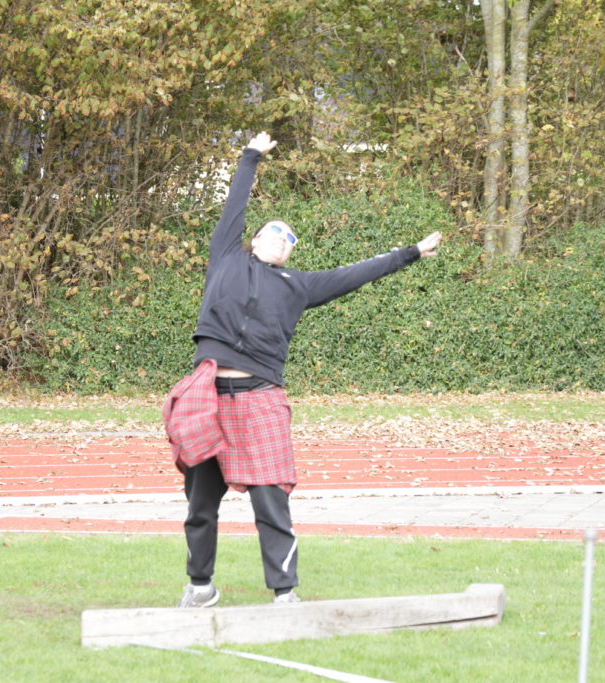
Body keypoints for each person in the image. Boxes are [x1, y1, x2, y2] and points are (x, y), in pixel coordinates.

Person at [163, 131, 442, 608]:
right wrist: (250, 157)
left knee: (270, 501)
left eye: (290, 239)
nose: (282, 239)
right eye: (275, 232)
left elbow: (357, 273)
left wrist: (409, 253)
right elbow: (234, 205)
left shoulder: (300, 286)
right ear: (254, 240)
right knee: (200, 505)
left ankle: (284, 594)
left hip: (260, 398)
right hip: (207, 395)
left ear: (291, 253)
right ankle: (200, 587)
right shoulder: (225, 256)